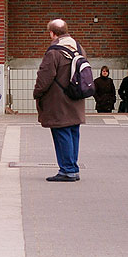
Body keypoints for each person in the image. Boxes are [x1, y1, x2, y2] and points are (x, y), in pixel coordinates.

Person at [33, 19, 87, 182]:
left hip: (59, 101)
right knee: (72, 133)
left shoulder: (54, 52)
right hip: (75, 98)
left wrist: (37, 93)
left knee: (61, 133)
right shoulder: (78, 48)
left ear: (52, 33)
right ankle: (73, 168)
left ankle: (68, 170)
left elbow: (45, 77)